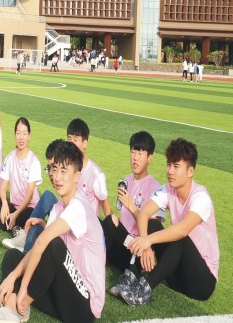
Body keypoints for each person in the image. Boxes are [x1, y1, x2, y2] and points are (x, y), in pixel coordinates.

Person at [0, 140, 105, 323]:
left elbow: (43, 243)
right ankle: (14, 311)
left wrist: (23, 289)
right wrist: (13, 275)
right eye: (54, 169)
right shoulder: (59, 207)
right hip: (61, 296)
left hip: (84, 307)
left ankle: (19, 303)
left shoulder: (79, 206)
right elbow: (38, 249)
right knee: (13, 256)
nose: (57, 177)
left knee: (52, 245)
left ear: (77, 176)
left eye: (63, 171)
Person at [120, 138, 219, 306]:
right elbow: (144, 213)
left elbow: (182, 230)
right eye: (168, 164)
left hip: (201, 283)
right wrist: (147, 246)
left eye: (176, 166)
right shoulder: (168, 189)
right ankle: (130, 277)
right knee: (152, 224)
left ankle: (145, 289)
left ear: (190, 171)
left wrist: (148, 240)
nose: (170, 171)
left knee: (180, 236)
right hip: (174, 278)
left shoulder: (200, 197)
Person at [102, 131, 164, 295]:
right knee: (108, 221)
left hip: (138, 252)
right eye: (133, 151)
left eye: (141, 153)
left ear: (150, 157)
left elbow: (154, 227)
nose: (135, 157)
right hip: (122, 244)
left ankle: (130, 277)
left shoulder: (155, 188)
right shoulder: (126, 180)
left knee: (147, 232)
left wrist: (132, 206)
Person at [0, 118, 42, 234]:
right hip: (14, 206)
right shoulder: (10, 157)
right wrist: (5, 204)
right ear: (14, 134)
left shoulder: (34, 161)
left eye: (24, 134)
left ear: (29, 136)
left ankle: (5, 223)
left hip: (29, 208)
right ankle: (14, 227)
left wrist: (15, 215)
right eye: (18, 133)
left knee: (28, 215)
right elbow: (3, 187)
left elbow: (30, 194)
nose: (21, 137)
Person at [67, 118, 111, 218]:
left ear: (84, 143)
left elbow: (105, 205)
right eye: (69, 139)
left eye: (75, 140)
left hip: (88, 227)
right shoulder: (66, 168)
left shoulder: (95, 173)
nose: (71, 144)